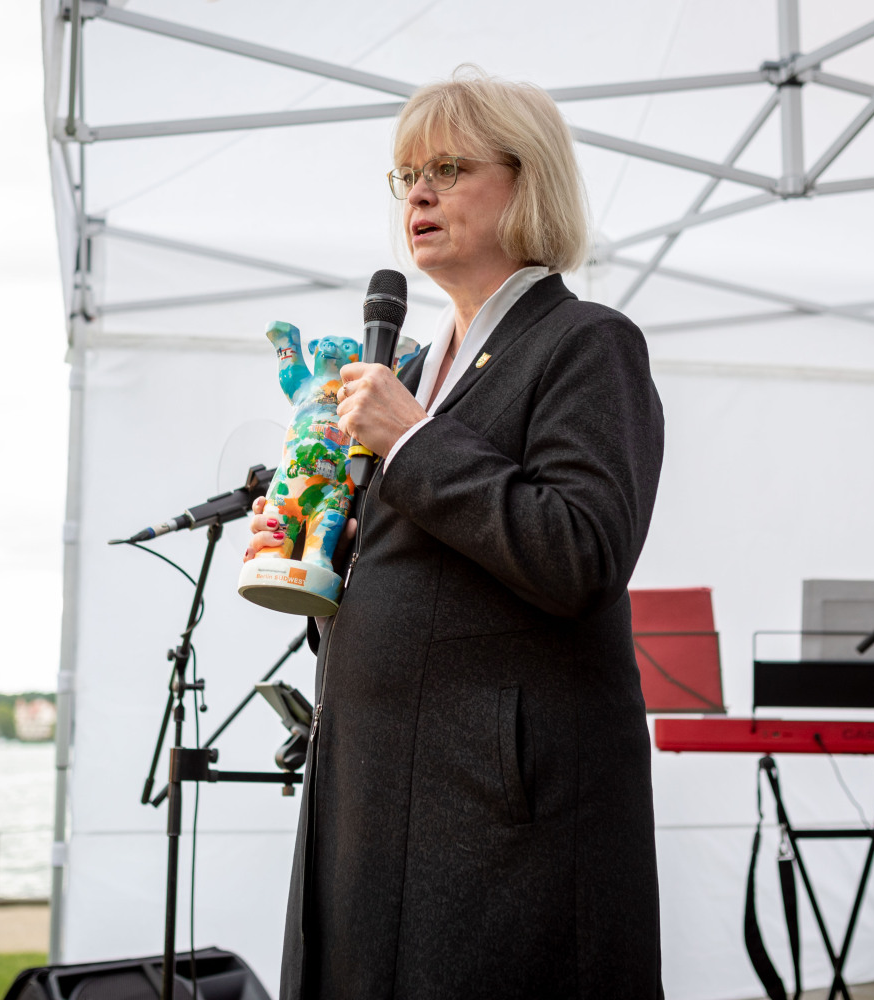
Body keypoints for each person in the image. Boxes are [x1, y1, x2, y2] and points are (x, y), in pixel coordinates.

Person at [244, 67, 666, 999]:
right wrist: (313, 532)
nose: (419, 194)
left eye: (447, 167)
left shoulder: (587, 344)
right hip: (368, 783)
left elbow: (580, 554)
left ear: (529, 182)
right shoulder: (405, 364)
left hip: (500, 811)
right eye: (405, 176)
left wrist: (415, 442)